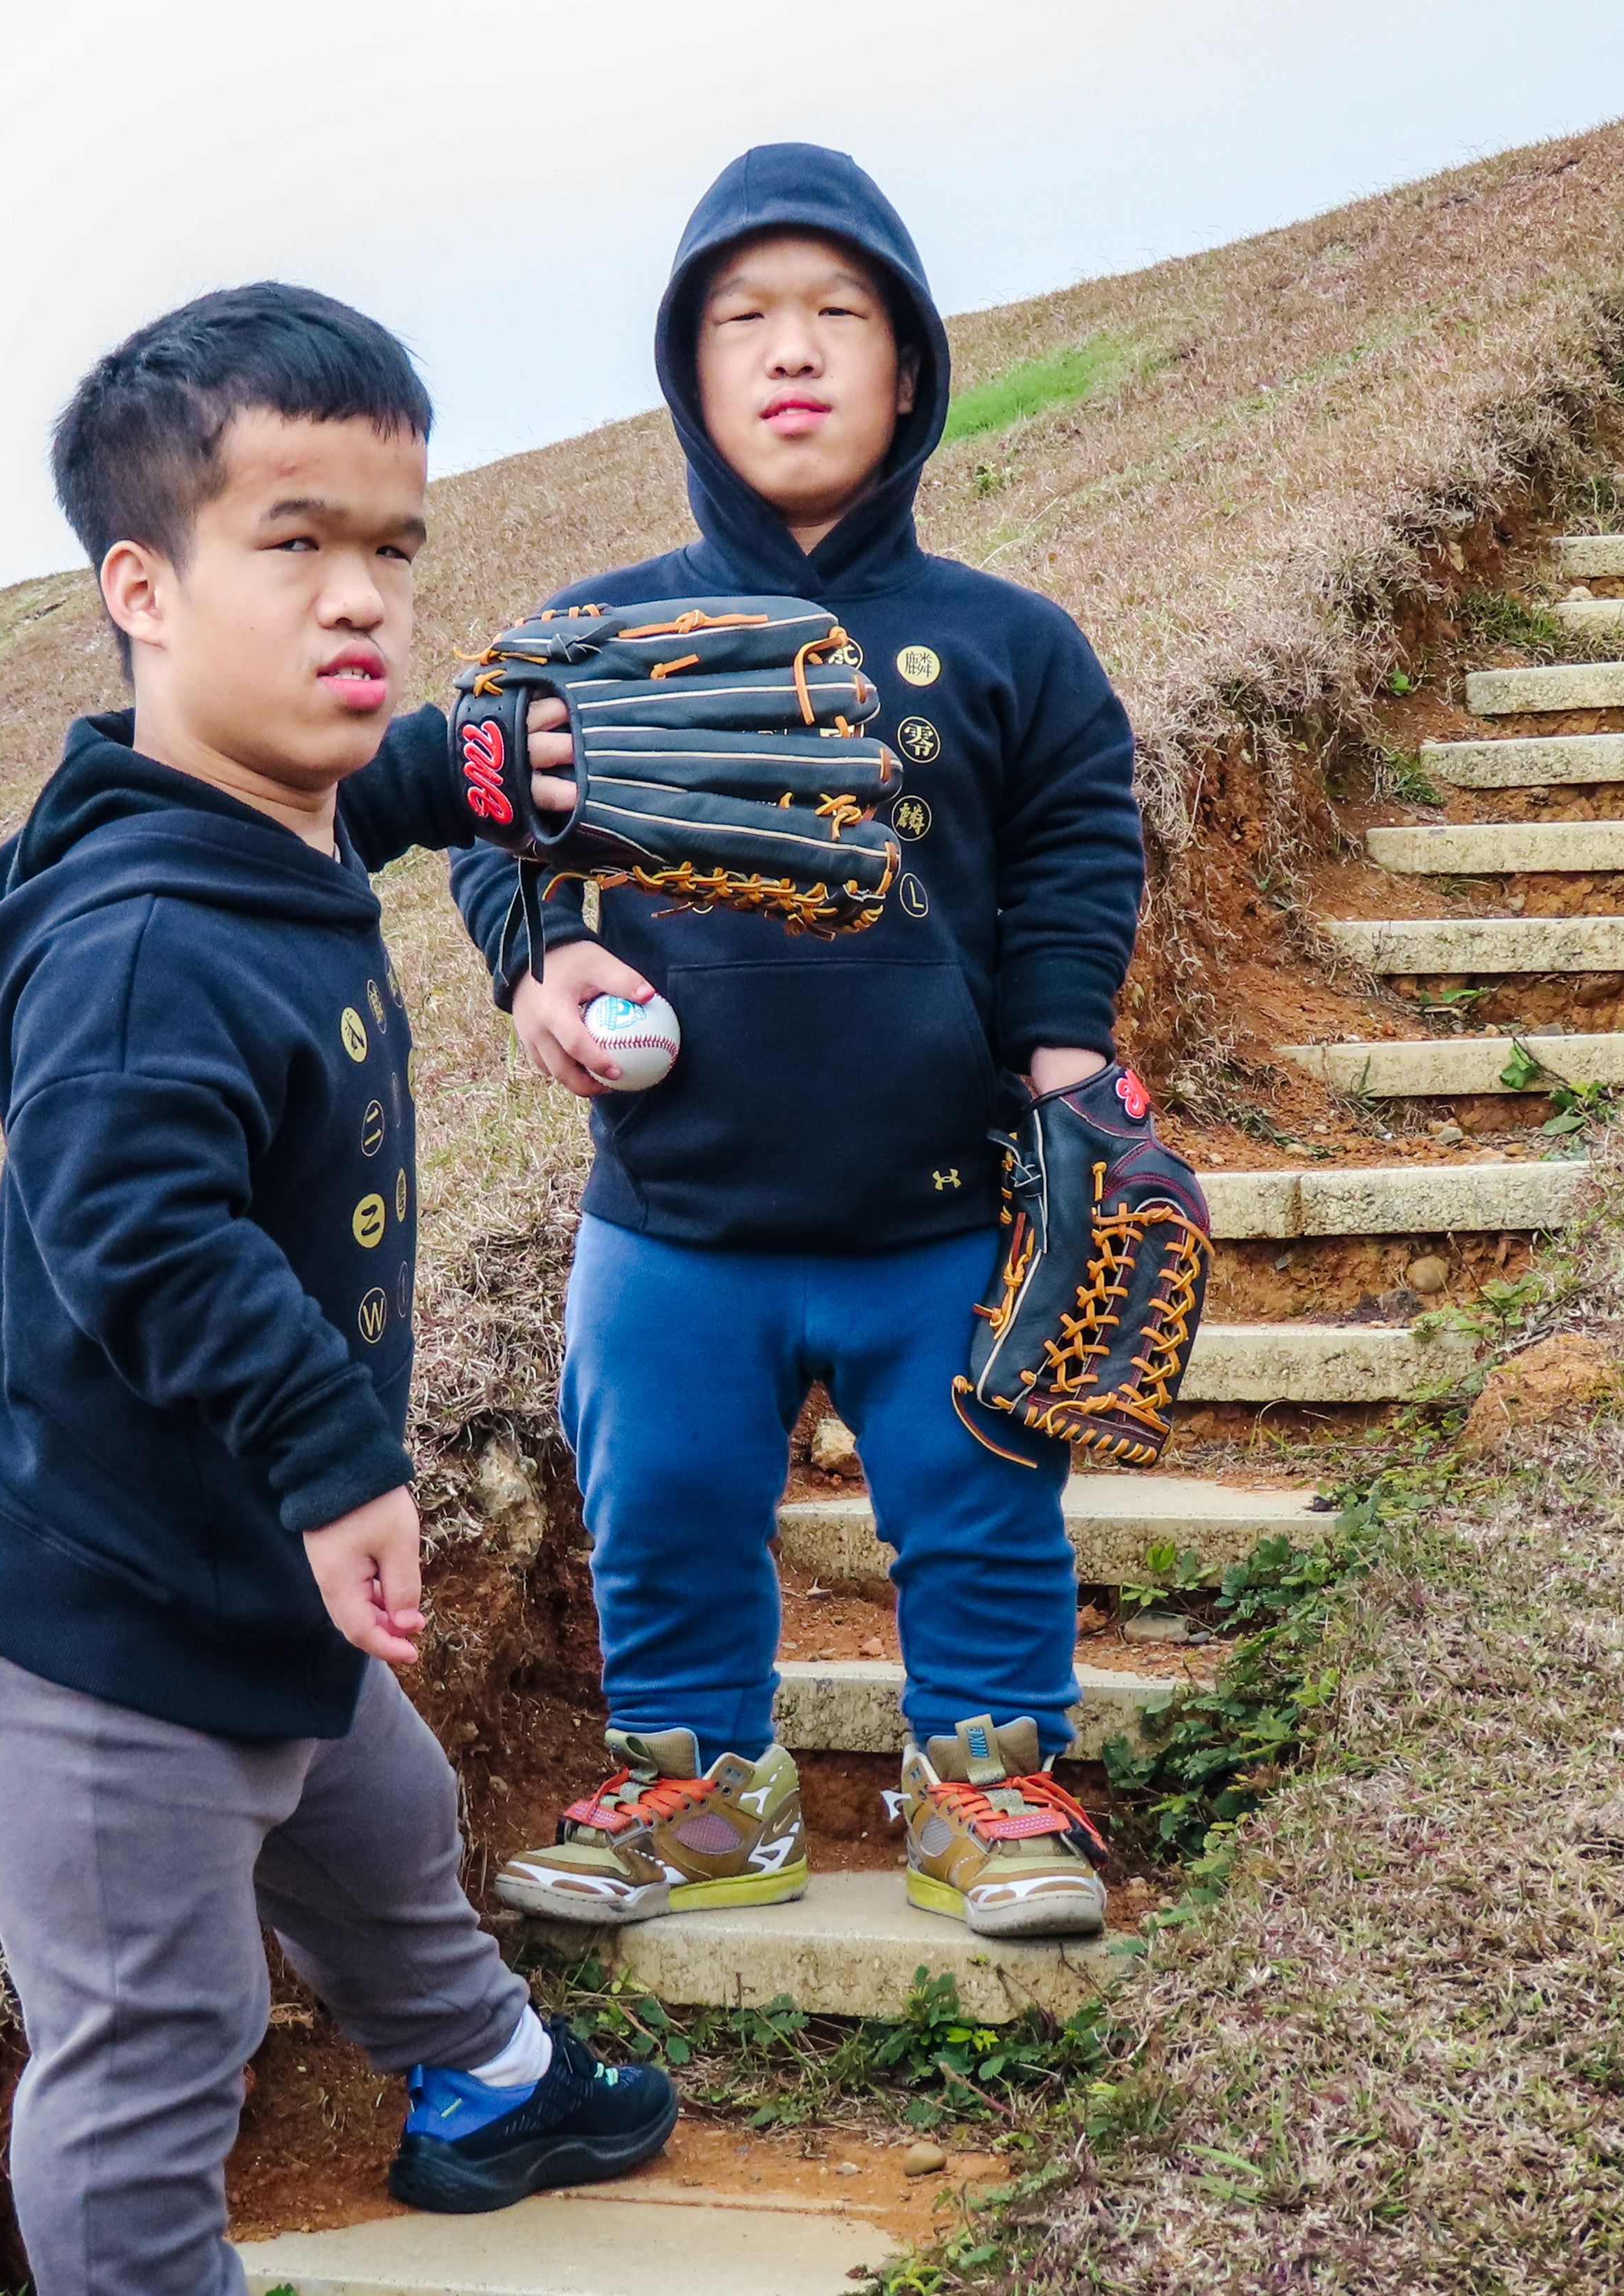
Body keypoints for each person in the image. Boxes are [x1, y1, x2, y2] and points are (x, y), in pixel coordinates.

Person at [0, 282, 670, 2295]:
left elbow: (325, 808)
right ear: (141, 588)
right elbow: (139, 1229)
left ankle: (488, 2085)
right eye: (295, 542)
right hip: (99, 1651)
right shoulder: (139, 943)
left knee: (391, 1828)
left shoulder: (241, 821)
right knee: (157, 2048)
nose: (362, 599)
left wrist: (450, 770)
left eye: (393, 547)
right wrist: (339, 1462)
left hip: (247, 1585)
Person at [450, 146, 1148, 1942]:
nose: (794, 351)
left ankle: (988, 1788)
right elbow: (487, 822)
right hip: (675, 1210)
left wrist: (1067, 1064)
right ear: (687, 372)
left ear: (908, 367)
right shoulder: (593, 639)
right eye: (743, 319)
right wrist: (544, 953)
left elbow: (1076, 845)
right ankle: (704, 1795)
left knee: (980, 1505)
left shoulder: (1014, 644)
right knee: (667, 1505)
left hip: (943, 1205)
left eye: (840, 314)